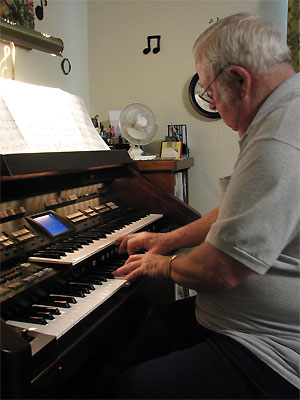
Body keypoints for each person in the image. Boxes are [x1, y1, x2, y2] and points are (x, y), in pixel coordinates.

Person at [108, 12, 300, 399]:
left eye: (210, 93)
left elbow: (221, 270)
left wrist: (161, 264)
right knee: (155, 325)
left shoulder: (279, 138)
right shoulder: (282, 113)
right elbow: (237, 208)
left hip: (275, 349)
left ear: (239, 80)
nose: (213, 103)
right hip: (241, 324)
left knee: (136, 387)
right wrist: (168, 240)